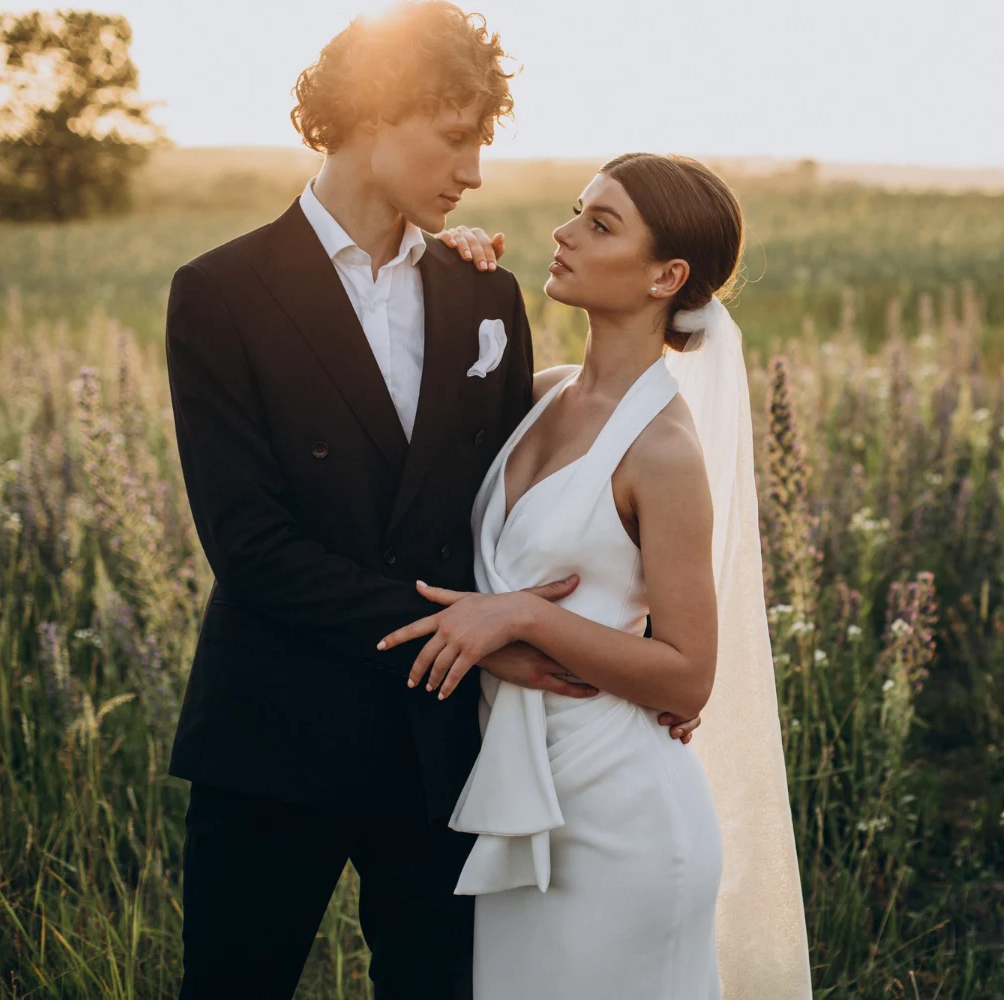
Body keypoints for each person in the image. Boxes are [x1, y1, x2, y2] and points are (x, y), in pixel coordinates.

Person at [163, 5, 697, 996]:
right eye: (456, 139)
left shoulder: (483, 295)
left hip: (444, 747)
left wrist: (635, 642)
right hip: (273, 733)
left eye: (482, 143)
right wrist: (486, 634)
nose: (475, 174)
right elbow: (251, 548)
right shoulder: (220, 292)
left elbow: (513, 509)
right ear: (373, 113)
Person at [381, 153, 811, 997]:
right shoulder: (540, 395)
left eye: (600, 224)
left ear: (667, 276)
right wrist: (450, 265)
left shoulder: (664, 450)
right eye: (578, 211)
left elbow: (688, 678)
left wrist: (521, 619)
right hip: (516, 800)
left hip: (622, 814)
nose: (563, 232)